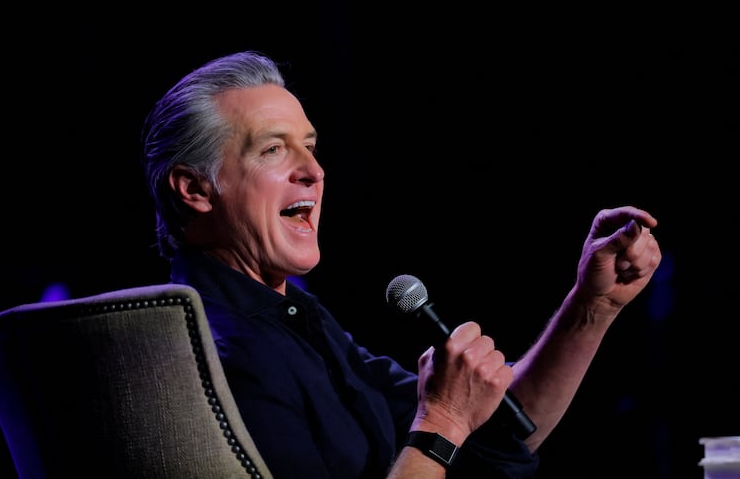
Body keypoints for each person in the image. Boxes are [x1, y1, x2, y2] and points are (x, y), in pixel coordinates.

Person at [140, 50, 662, 478]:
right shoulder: (221, 355)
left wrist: (592, 306)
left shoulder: (295, 314)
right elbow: (446, 429)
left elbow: (495, 433)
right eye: (273, 149)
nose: (314, 171)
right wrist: (444, 419)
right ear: (194, 189)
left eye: (311, 146)